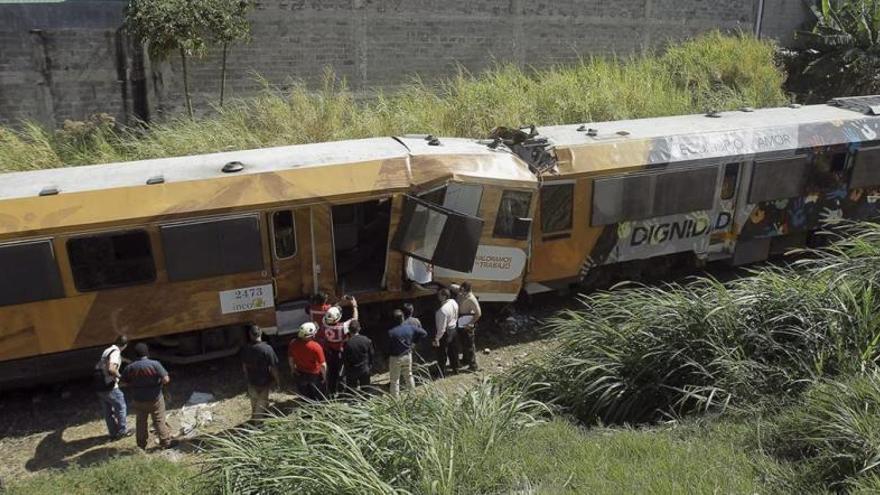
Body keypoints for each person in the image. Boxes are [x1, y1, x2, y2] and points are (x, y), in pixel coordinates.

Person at [121, 343, 172, 450]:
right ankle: (165, 442)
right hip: (155, 398)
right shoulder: (155, 364)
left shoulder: (130, 367)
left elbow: (123, 383)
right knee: (159, 420)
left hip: (138, 399)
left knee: (141, 422)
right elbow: (166, 379)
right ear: (147, 352)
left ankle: (141, 445)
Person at [320, 296, 359, 396]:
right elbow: (354, 320)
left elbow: (330, 313)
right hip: (340, 352)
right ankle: (341, 391)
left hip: (330, 351)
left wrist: (340, 302)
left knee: (332, 371)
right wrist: (354, 306)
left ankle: (331, 391)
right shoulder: (342, 327)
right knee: (341, 372)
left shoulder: (324, 324)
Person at [94, 335, 131, 440]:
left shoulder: (108, 350)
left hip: (100, 386)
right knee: (121, 407)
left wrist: (126, 361)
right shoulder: (116, 353)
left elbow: (112, 360)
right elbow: (111, 368)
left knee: (107, 411)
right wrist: (121, 378)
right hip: (110, 387)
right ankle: (122, 431)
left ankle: (113, 433)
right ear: (125, 345)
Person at [240, 324, 280, 419]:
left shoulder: (245, 349)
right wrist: (278, 381)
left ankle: (257, 418)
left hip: (252, 381)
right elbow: (273, 368)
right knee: (261, 404)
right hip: (264, 382)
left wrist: (247, 377)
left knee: (254, 403)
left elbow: (244, 366)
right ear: (261, 333)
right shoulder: (267, 349)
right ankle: (258, 425)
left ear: (250, 335)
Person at [388, 309, 427, 396]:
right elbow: (424, 333)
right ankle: (412, 395)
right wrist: (414, 342)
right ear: (403, 318)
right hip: (407, 355)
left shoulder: (391, 332)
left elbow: (387, 347)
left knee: (395, 380)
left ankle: (396, 400)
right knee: (409, 376)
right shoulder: (410, 328)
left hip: (395, 357)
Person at [288, 322, 327, 401]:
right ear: (312, 335)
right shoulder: (316, 347)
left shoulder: (293, 343)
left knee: (305, 396)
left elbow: (290, 359)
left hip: (300, 372)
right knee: (317, 396)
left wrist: (293, 370)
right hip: (314, 374)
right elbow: (323, 365)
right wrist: (324, 376)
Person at [456, 282, 483, 372]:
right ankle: (465, 360)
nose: (461, 292)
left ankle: (473, 365)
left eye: (463, 291)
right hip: (461, 321)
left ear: (467, 291)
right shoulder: (462, 294)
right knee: (464, 343)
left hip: (467, 324)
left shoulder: (471, 299)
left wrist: (470, 324)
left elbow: (478, 313)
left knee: (469, 345)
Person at [342, 320, 374, 392]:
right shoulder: (367, 340)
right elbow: (371, 354)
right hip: (364, 369)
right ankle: (366, 402)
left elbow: (345, 359)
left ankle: (353, 402)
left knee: (352, 391)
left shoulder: (347, 344)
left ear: (349, 330)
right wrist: (370, 366)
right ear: (359, 328)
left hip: (352, 370)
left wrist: (346, 370)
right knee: (366, 390)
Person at [434, 288, 460, 376]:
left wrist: (437, 338)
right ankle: (456, 368)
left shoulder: (442, 311)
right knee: (454, 351)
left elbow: (441, 328)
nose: (438, 297)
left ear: (444, 296)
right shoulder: (454, 302)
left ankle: (441, 372)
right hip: (454, 329)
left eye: (439, 295)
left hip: (446, 332)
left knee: (442, 353)